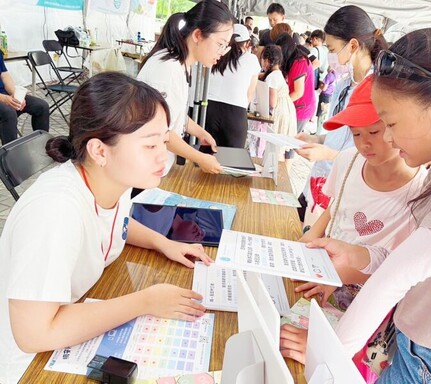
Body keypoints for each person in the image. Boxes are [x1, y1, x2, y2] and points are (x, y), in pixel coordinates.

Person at [287, 29, 431, 383]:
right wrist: (355, 256)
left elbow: (398, 276)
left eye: (390, 124)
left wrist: (326, 355)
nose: (387, 138)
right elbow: (413, 264)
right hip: (417, 350)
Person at [0, 72, 214, 383]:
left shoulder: (113, 182)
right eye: (150, 145)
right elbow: (33, 334)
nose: (162, 158)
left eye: (164, 142)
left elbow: (113, 222)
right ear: (100, 151)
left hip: (71, 330)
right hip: (29, 366)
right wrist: (145, 301)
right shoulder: (54, 211)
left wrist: (161, 242)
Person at [280, 76, 426, 383]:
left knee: (336, 372)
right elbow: (335, 209)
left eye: (373, 131)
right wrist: (308, 241)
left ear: (396, 126)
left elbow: (403, 275)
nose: (364, 143)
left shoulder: (421, 191)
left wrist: (345, 275)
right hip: (326, 284)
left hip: (372, 312)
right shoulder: (347, 161)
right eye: (355, 134)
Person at [295, 5, 388, 227]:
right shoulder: (343, 83)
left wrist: (329, 154)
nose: (330, 56)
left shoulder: (378, 90)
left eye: (332, 49)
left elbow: (370, 151)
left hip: (348, 185)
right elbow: (339, 132)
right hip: (322, 179)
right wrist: (316, 140)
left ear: (353, 45)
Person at [138, 0, 234, 175]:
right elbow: (161, 131)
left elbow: (173, 114)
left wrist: (200, 132)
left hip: (155, 166)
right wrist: (199, 158)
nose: (222, 52)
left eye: (225, 46)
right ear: (198, 35)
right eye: (220, 44)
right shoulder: (167, 69)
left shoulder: (181, 64)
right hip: (143, 169)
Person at [205, 23, 260, 148]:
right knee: (233, 160)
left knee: (206, 156)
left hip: (209, 110)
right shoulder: (251, 60)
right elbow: (249, 94)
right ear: (247, 43)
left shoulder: (216, 56)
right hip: (235, 114)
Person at [0, 51, 49, 144]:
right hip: (2, 98)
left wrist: (15, 94)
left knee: (41, 106)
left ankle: (42, 146)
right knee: (9, 113)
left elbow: (5, 76)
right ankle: (10, 156)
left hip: (4, 93)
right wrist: (4, 99)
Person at [260, 45, 297, 163]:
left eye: (263, 60)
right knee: (278, 148)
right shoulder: (278, 73)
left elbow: (272, 102)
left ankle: (275, 174)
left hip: (280, 111)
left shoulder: (271, 77)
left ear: (268, 61)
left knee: (275, 148)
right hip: (287, 109)